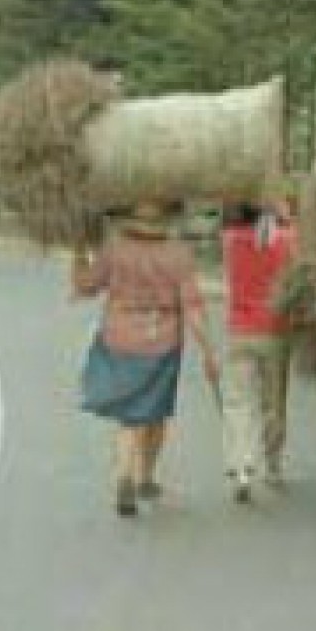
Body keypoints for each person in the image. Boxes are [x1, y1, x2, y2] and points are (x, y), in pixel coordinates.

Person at [72, 198, 220, 518]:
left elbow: (86, 286)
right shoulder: (178, 254)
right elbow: (193, 306)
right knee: (154, 413)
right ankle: (145, 478)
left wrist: (78, 253)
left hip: (120, 338)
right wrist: (208, 351)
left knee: (129, 416)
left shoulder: (115, 249)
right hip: (161, 342)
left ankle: (124, 475)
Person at [219, 195, 297, 503]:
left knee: (238, 402)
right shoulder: (287, 240)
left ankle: (241, 468)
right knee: (273, 402)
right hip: (275, 331)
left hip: (240, 331)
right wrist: (283, 216)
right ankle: (273, 465)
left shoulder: (230, 241)